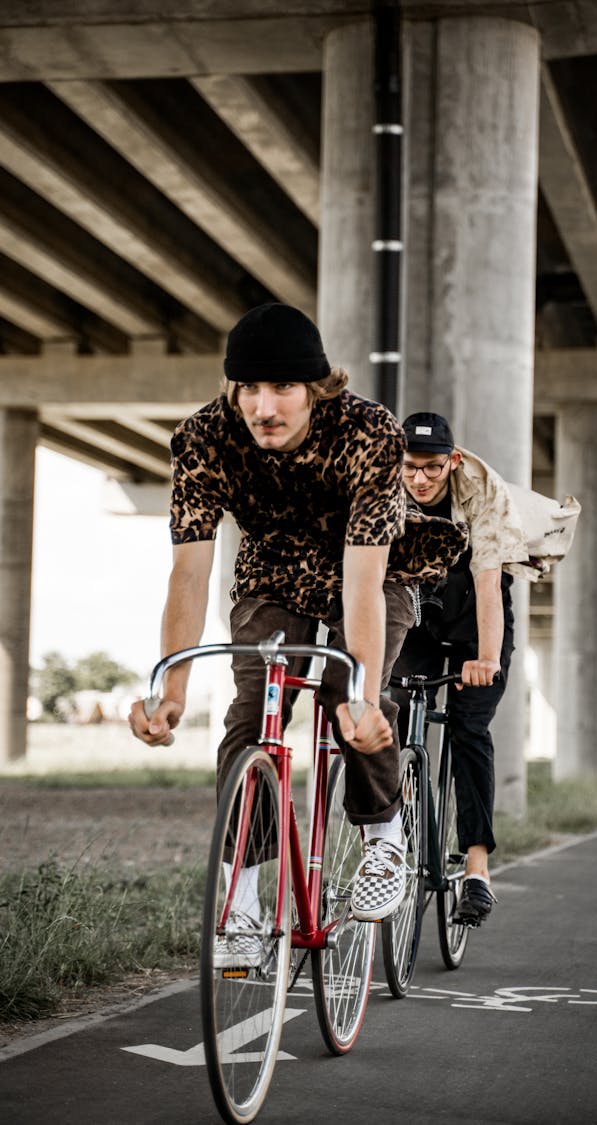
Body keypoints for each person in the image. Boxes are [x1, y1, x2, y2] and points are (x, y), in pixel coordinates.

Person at [129, 305, 466, 925]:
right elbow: (190, 572)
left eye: (283, 387)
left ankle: (384, 836)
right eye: (249, 388)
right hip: (273, 568)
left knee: (348, 695)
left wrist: (362, 695)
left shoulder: (367, 433)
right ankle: (245, 900)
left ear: (316, 388)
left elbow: (363, 583)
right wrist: (170, 684)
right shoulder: (203, 439)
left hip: (372, 566)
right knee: (252, 709)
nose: (264, 407)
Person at [389, 412, 528, 926]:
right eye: (410, 467)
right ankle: (395, 839)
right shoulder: (383, 486)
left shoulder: (482, 493)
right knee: (390, 712)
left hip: (476, 619)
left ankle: (476, 871)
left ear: (453, 461)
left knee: (470, 729)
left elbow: (490, 585)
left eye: (431, 468)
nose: (419, 479)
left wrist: (487, 659)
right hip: (418, 616)